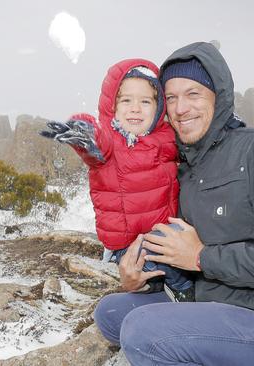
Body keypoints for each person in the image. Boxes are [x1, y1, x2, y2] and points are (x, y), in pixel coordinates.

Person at [93, 42, 254, 366]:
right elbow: (179, 262)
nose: (181, 108)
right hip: (222, 308)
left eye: (193, 94)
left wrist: (202, 257)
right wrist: (139, 280)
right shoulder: (183, 170)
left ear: (220, 96)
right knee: (110, 314)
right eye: (171, 98)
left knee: (143, 332)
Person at [40, 58, 194, 301]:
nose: (135, 108)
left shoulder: (166, 137)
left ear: (159, 107)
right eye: (126, 100)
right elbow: (98, 144)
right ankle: (182, 293)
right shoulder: (111, 144)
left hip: (162, 236)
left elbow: (195, 147)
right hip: (128, 247)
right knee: (168, 264)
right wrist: (86, 132)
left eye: (145, 101)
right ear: (112, 105)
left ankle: (167, 290)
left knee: (174, 243)